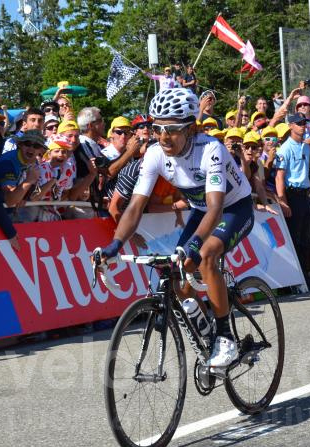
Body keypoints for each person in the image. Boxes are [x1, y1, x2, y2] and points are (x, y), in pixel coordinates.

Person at [99, 87, 254, 370]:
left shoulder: (211, 150)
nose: (163, 136)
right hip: (201, 211)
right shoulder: (156, 154)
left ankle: (225, 337)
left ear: (191, 128)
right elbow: (134, 207)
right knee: (175, 277)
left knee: (205, 255)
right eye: (157, 128)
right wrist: (114, 245)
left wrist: (194, 245)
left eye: (171, 129)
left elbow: (216, 208)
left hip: (233, 209)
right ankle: (205, 324)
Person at [274, 113, 310, 287]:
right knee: (295, 239)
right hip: (293, 194)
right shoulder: (285, 149)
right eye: (299, 123)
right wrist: (283, 201)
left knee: (305, 238)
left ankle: (304, 276)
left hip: (304, 193)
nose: (303, 126)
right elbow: (279, 177)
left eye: (304, 123)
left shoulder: (305, 145)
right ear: (291, 126)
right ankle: (297, 279)